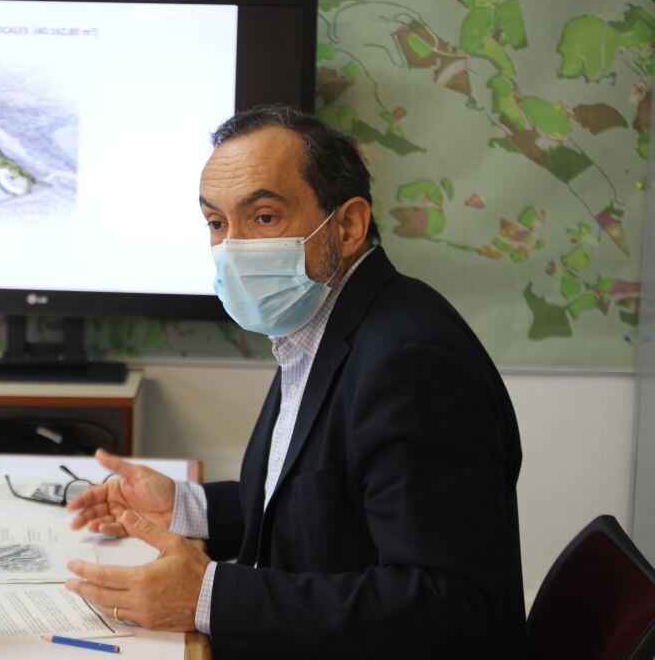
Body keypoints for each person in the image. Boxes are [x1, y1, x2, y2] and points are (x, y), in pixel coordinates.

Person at [64, 105, 526, 659]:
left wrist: (209, 596)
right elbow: (326, 505)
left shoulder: (409, 362)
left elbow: (446, 604)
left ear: (349, 226)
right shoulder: (321, 325)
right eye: (216, 223)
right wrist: (187, 507)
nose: (232, 248)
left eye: (263, 218)